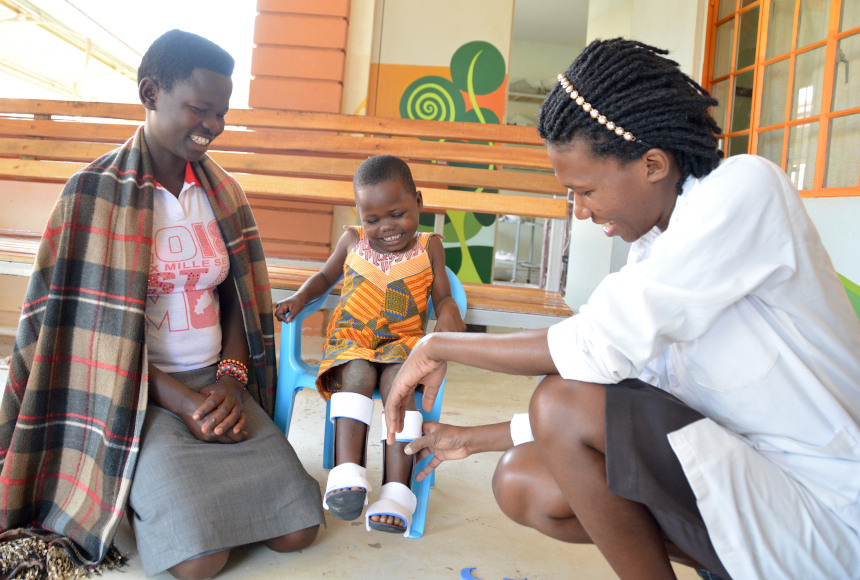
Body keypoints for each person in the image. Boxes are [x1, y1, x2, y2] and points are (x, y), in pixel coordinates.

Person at [383, 38, 860, 580]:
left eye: (585, 191)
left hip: (830, 512)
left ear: (653, 164)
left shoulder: (744, 191)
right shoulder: (651, 252)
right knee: (524, 480)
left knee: (560, 402)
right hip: (746, 486)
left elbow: (593, 352)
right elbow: (627, 395)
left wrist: (440, 343)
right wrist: (473, 437)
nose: (581, 212)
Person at [0, 30, 323, 580]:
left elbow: (239, 302)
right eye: (199, 109)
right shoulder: (92, 193)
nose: (213, 127)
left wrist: (230, 379)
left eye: (221, 113)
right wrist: (180, 403)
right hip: (133, 394)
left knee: (298, 532)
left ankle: (165, 487)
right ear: (151, 92)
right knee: (197, 564)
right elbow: (82, 336)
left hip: (216, 381)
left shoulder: (224, 194)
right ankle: (125, 488)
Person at [275, 155, 466, 535]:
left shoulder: (431, 246)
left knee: (401, 386)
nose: (386, 228)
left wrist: (448, 313)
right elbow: (324, 277)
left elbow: (443, 295)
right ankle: (348, 475)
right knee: (359, 373)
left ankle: (397, 492)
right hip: (353, 341)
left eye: (397, 214)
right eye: (373, 219)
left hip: (404, 345)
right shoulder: (351, 240)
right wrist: (300, 297)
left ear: (419, 203)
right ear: (359, 215)